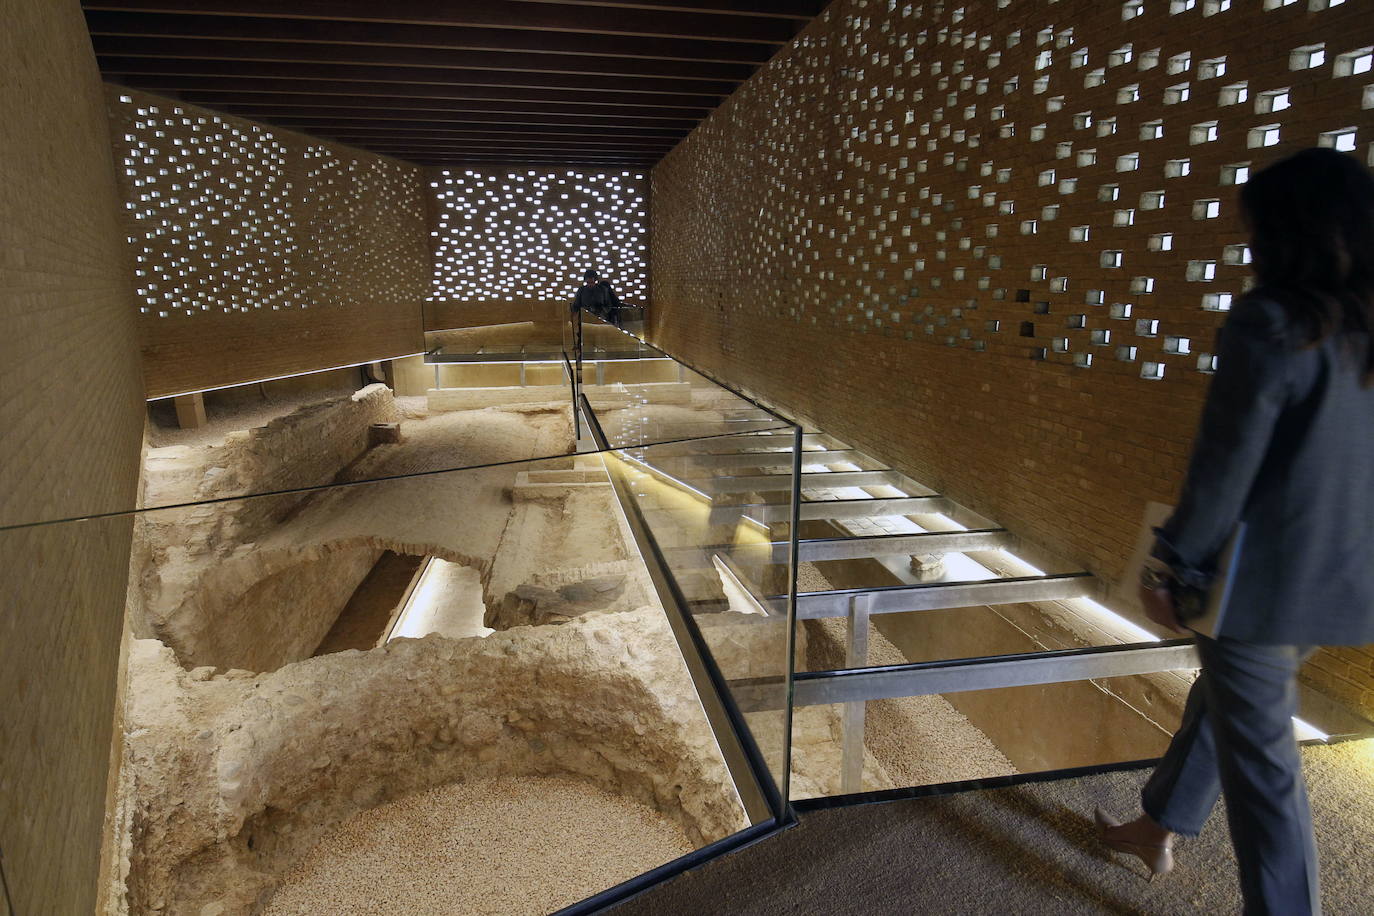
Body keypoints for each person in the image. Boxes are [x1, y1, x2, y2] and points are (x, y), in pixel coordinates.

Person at [1094, 147, 1374, 915]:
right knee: (1222, 705)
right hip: (1343, 579)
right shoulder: (1363, 332)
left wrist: (1169, 569)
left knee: (1265, 776)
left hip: (1259, 583)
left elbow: (1223, 467)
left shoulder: (1271, 324)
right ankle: (1159, 825)